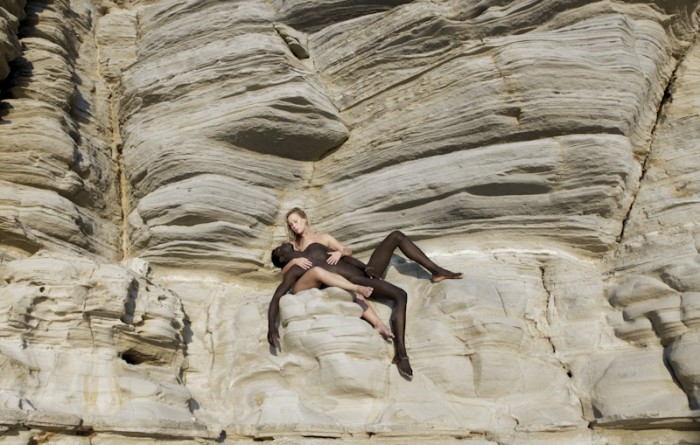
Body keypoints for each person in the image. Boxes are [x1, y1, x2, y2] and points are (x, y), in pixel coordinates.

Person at [267, 208, 463, 380]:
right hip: (355, 280)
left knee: (396, 236)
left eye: (296, 221)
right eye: (291, 224)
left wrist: (345, 255)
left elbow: (346, 252)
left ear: (304, 219)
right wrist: (293, 262)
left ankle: (437, 271)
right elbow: (284, 270)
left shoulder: (323, 238)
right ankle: (401, 354)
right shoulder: (296, 252)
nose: (294, 226)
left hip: (361, 269)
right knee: (400, 295)